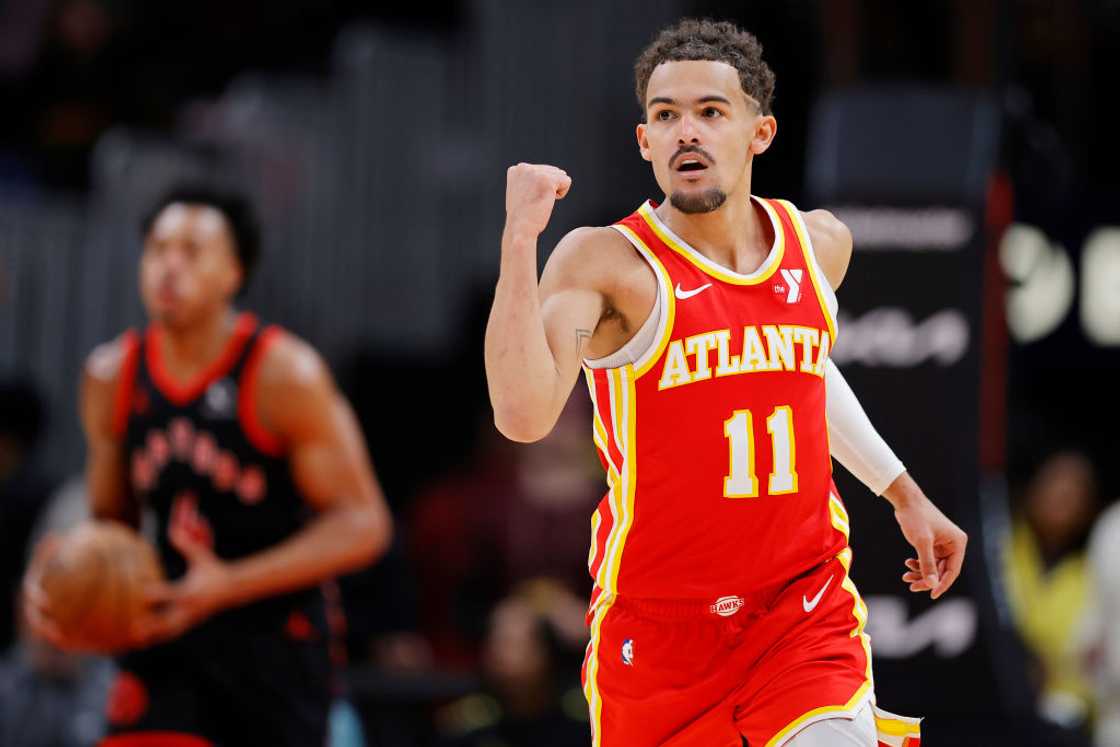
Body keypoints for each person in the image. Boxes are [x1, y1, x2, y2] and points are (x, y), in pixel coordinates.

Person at [484, 18, 966, 747]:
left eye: (710, 112)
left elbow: (801, 370)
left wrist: (903, 490)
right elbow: (523, 414)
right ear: (644, 141)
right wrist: (520, 241)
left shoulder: (819, 245)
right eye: (666, 115)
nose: (687, 132)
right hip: (658, 630)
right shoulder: (607, 265)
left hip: (799, 610)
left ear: (759, 133)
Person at [23, 183, 393, 747]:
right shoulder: (111, 375)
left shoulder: (284, 375)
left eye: (192, 251)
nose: (169, 266)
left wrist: (225, 586)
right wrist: (63, 576)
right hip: (167, 628)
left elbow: (363, 524)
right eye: (157, 249)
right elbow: (112, 525)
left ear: (234, 273)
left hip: (275, 640)